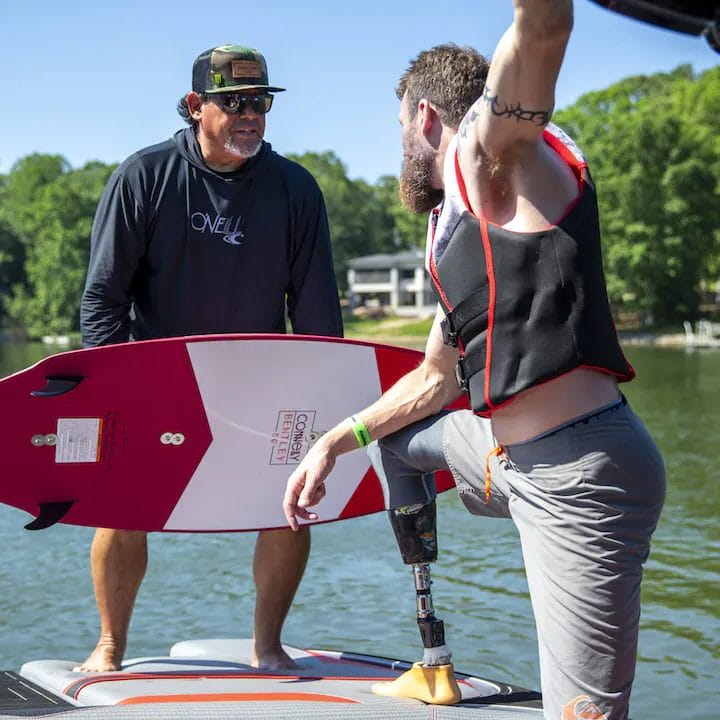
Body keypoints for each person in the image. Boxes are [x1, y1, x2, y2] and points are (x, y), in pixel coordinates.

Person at [283, 3, 665, 719]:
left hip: (581, 482)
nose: (397, 143)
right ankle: (433, 662)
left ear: (425, 117)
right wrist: (334, 442)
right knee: (397, 444)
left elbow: (545, 27)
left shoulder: (494, 157)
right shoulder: (455, 234)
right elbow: (434, 378)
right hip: (502, 459)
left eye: (399, 128)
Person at [80, 44, 343, 673]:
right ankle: (110, 646)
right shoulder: (143, 177)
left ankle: (268, 646)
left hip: (259, 383)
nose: (251, 115)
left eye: (260, 103)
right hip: (156, 381)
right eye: (234, 103)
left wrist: (320, 411)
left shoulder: (295, 189)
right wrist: (124, 391)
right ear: (197, 106)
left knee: (293, 500)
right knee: (121, 506)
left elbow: (316, 316)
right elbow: (102, 302)